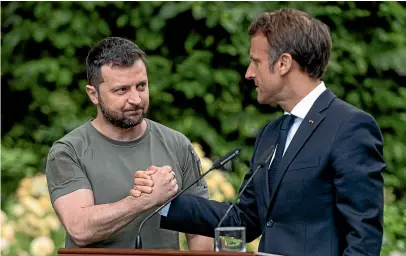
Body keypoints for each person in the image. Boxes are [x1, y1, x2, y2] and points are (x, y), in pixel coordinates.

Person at [132, 8, 386, 256]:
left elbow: (364, 237)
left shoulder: (350, 126)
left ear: (284, 63)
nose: (249, 73)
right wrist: (166, 201)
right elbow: (245, 218)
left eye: (256, 62)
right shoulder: (272, 132)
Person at [44, 37, 213, 250]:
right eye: (121, 90)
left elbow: (200, 234)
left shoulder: (177, 144)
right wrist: (143, 200)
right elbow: (80, 229)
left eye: (141, 86)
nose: (136, 99)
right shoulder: (68, 152)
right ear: (93, 94)